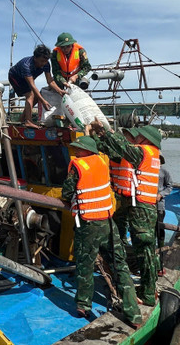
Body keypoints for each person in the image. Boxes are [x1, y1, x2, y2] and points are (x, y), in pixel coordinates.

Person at [61, 135, 142, 328]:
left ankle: (83, 305)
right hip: (107, 222)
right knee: (119, 265)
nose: (75, 151)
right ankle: (134, 314)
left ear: (87, 150)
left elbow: (67, 192)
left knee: (85, 265)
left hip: (88, 224)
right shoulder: (101, 162)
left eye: (78, 148)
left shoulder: (77, 166)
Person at [91, 122, 162, 307]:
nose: (136, 138)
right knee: (144, 248)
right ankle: (148, 288)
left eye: (139, 136)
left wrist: (106, 131)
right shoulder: (145, 153)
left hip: (141, 207)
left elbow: (122, 146)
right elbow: (114, 149)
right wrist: (97, 137)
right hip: (138, 205)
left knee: (144, 249)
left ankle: (148, 293)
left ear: (146, 139)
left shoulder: (143, 152)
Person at [8, 45, 66, 129]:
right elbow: (32, 85)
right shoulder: (26, 65)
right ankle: (28, 121)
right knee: (30, 95)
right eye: (41, 61)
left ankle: (22, 119)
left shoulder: (46, 64)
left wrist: (60, 91)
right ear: (35, 58)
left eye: (45, 61)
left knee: (35, 97)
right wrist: (43, 101)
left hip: (28, 78)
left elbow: (50, 81)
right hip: (15, 77)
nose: (43, 63)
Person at [156, 153, 173, 275]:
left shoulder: (164, 172)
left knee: (160, 233)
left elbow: (169, 186)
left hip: (159, 206)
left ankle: (160, 263)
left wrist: (161, 194)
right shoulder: (145, 171)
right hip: (147, 206)